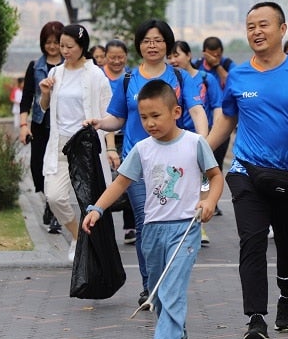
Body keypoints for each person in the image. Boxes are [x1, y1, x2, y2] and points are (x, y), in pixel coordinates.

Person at [207, 1, 288, 339]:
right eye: (250, 27)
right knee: (253, 241)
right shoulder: (239, 77)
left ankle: (287, 295)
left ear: (282, 29)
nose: (256, 32)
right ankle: (255, 318)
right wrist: (198, 151)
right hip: (246, 170)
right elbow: (227, 120)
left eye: (263, 25)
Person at [82, 80, 223, 339]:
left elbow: (215, 177)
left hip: (185, 229)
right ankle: (176, 332)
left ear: (175, 111)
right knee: (158, 291)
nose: (149, 123)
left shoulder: (195, 143)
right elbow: (121, 183)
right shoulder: (142, 149)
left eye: (156, 116)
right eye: (144, 117)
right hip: (152, 230)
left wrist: (208, 201)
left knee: (171, 287)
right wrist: (97, 208)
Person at [89, 19, 209, 308]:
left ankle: (165, 279)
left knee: (170, 221)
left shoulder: (180, 78)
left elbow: (197, 111)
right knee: (146, 221)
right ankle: (150, 285)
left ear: (167, 43)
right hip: (138, 160)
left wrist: (201, 144)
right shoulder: (129, 80)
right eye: (146, 40)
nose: (152, 45)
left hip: (174, 164)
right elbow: (117, 118)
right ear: (138, 45)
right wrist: (99, 123)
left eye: (157, 40)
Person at [40, 24, 113, 262]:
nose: (64, 51)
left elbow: (108, 114)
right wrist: (45, 92)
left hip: (85, 145)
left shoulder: (95, 76)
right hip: (60, 143)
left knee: (89, 200)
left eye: (69, 46)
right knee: (54, 196)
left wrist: (110, 148)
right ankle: (77, 235)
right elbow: (44, 107)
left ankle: (94, 251)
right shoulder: (56, 74)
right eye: (62, 46)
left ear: (82, 47)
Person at [168, 40, 223, 246]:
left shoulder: (206, 79)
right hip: (178, 139)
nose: (173, 60)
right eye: (170, 56)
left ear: (189, 55)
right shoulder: (171, 80)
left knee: (203, 181)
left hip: (203, 137)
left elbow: (217, 107)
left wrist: (211, 137)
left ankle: (200, 225)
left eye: (177, 55)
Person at [19, 21, 64, 234]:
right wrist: (22, 125)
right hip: (40, 124)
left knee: (56, 168)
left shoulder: (69, 66)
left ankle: (54, 210)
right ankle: (48, 199)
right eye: (48, 42)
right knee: (37, 168)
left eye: (56, 42)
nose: (53, 46)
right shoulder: (34, 67)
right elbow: (26, 97)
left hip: (62, 125)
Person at [192, 36, 235, 213]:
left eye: (218, 54)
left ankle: (213, 200)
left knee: (215, 164)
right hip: (201, 123)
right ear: (204, 52)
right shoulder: (196, 65)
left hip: (222, 120)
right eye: (211, 55)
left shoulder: (227, 63)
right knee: (200, 164)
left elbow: (232, 81)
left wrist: (217, 65)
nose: (214, 57)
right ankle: (199, 198)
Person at [101, 38, 138, 245]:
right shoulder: (99, 76)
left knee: (130, 177)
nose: (116, 61)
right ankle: (102, 221)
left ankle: (130, 226)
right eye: (112, 57)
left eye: (120, 57)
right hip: (105, 132)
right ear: (105, 56)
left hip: (128, 134)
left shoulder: (131, 76)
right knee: (106, 180)